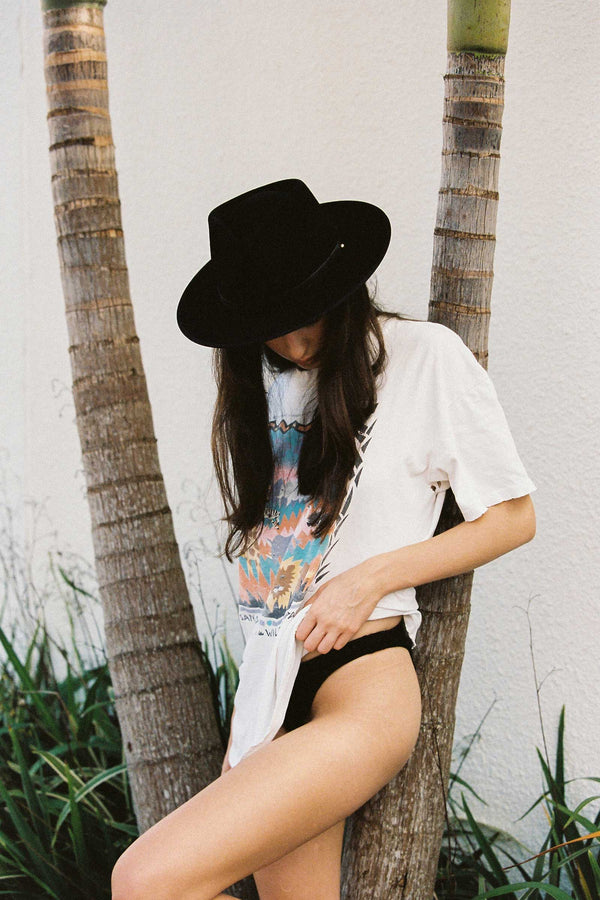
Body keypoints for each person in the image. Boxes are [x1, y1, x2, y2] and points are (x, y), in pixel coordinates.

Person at [111, 178, 537, 900]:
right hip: (272, 687)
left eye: (306, 313)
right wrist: (252, 724)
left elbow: (512, 517)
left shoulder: (422, 357)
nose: (295, 339)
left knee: (144, 880)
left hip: (362, 679)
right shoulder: (259, 390)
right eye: (271, 323)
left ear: (339, 284)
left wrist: (368, 580)